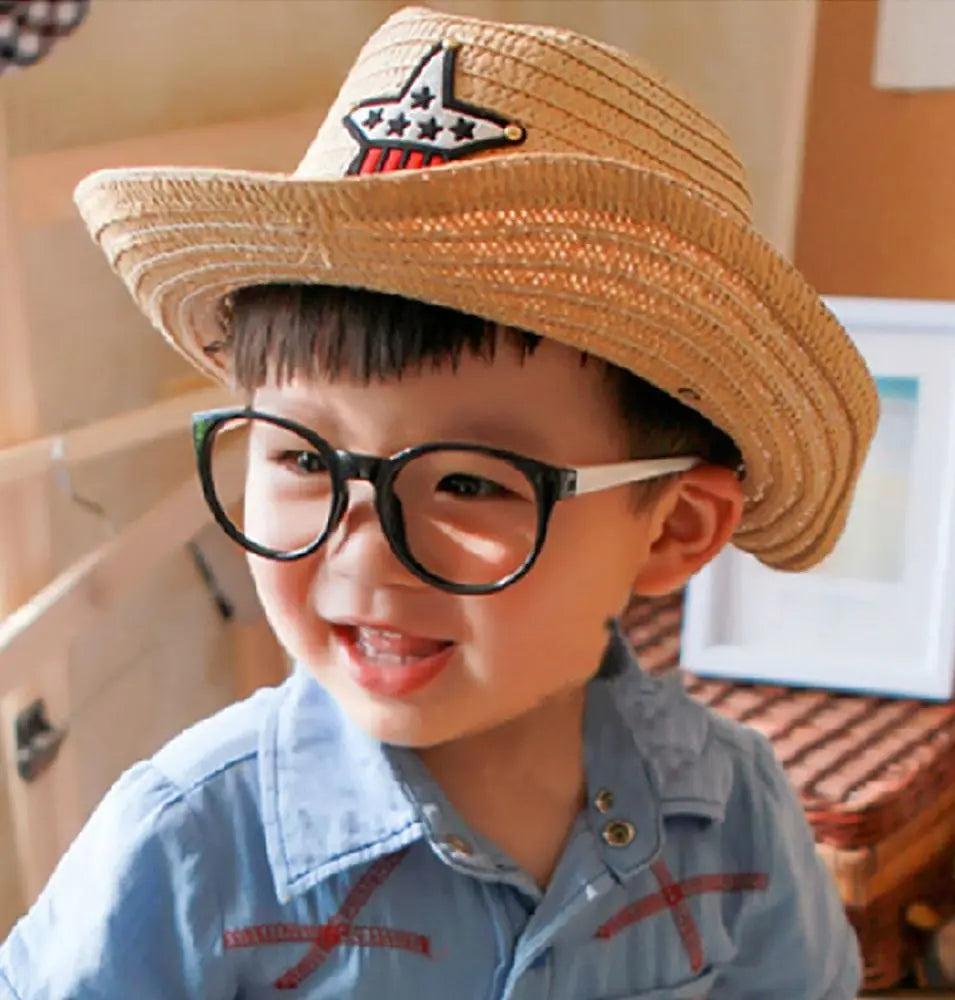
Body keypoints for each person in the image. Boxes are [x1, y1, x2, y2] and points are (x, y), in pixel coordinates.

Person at [0, 5, 879, 998]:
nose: (364, 552)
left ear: (674, 528)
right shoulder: (183, 852)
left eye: (468, 482)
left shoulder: (733, 817)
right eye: (302, 458)